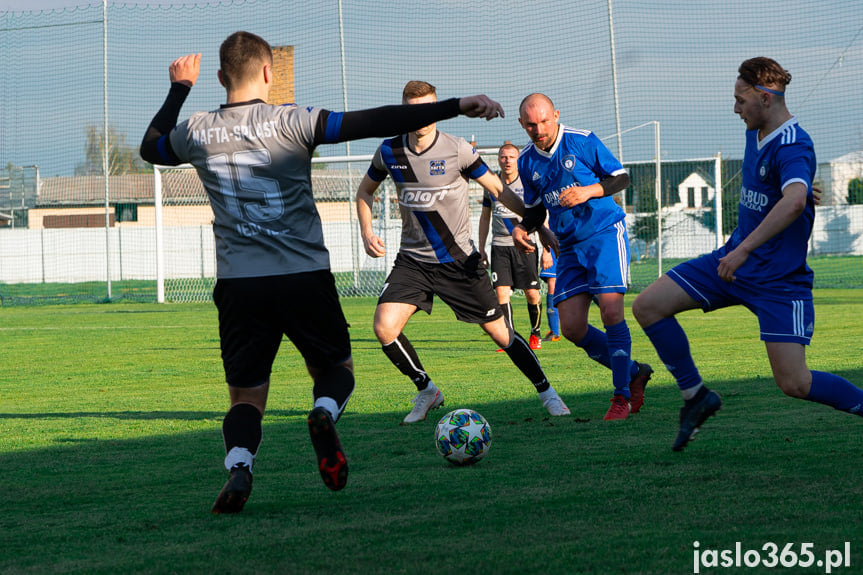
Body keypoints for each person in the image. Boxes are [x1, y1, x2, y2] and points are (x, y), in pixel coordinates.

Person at [139, 32, 506, 513]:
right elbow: (375, 120)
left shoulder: (194, 129)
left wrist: (178, 89)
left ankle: (240, 469)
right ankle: (322, 412)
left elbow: (150, 148)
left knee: (246, 395)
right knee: (336, 371)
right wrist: (455, 105)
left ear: (221, 77)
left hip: (239, 283)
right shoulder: (294, 120)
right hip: (303, 274)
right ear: (269, 72)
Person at [631, 57, 863, 451]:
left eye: (741, 100)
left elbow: (792, 202)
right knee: (648, 306)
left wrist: (754, 239)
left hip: (777, 281)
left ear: (766, 98)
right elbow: (788, 193)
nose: (735, 108)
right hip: (732, 263)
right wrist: (795, 194)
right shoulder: (755, 132)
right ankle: (696, 396)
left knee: (795, 383)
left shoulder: (795, 143)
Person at [356, 80, 570, 424]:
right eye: (414, 110)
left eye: (429, 109)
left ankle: (548, 393)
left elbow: (499, 190)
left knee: (501, 334)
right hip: (412, 261)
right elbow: (364, 192)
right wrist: (367, 230)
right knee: (384, 326)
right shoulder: (388, 152)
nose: (422, 117)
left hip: (459, 262)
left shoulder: (458, 150)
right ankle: (427, 390)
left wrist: (538, 226)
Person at [512, 93, 653, 421]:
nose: (539, 128)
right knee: (573, 328)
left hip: (604, 234)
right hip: (569, 247)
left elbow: (621, 177)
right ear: (522, 125)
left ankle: (621, 397)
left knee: (611, 310)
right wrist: (523, 228)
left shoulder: (582, 141)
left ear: (556, 115)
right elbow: (534, 210)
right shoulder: (526, 161)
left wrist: (588, 191)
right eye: (531, 124)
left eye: (545, 120)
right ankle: (633, 371)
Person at [478, 143, 543, 351]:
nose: (507, 161)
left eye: (511, 157)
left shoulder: (527, 182)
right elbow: (485, 218)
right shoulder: (491, 184)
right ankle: (510, 338)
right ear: (498, 159)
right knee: (501, 293)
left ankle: (536, 332)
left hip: (525, 245)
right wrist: (481, 247)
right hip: (500, 246)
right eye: (503, 157)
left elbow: (541, 215)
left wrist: (546, 247)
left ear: (518, 159)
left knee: (532, 293)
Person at [539, 244, 561, 342]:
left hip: (573, 241)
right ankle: (554, 332)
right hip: (553, 244)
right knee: (552, 284)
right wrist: (546, 251)